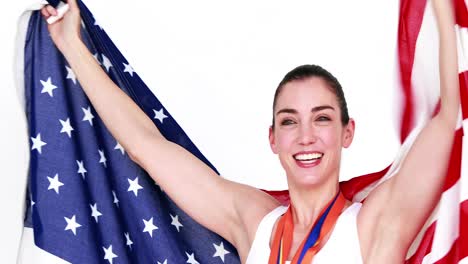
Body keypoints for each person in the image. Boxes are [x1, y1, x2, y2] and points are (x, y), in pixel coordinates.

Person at [41, 0, 459, 262]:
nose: (306, 136)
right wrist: (73, 46)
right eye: (290, 121)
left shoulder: (375, 226)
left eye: (323, 118)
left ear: (347, 133)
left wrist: (444, 9)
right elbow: (145, 147)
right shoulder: (255, 223)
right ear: (273, 138)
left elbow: (448, 121)